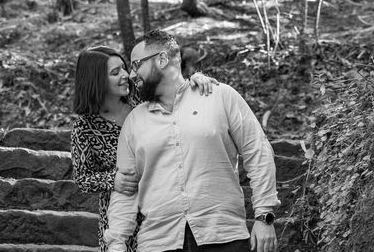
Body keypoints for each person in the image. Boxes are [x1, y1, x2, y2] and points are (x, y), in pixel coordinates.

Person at [105, 29, 280, 252]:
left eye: (136, 65)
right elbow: (125, 189)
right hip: (158, 242)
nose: (131, 75)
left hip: (223, 237)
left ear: (161, 59)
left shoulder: (220, 96)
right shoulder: (133, 122)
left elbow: (258, 152)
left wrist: (264, 216)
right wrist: (116, 243)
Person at [71, 46, 216, 252]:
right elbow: (82, 177)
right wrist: (113, 179)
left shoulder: (143, 97)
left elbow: (174, 89)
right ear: (96, 80)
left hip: (164, 208)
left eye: (124, 68)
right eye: (115, 73)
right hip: (121, 216)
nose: (125, 75)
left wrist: (196, 79)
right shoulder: (84, 128)